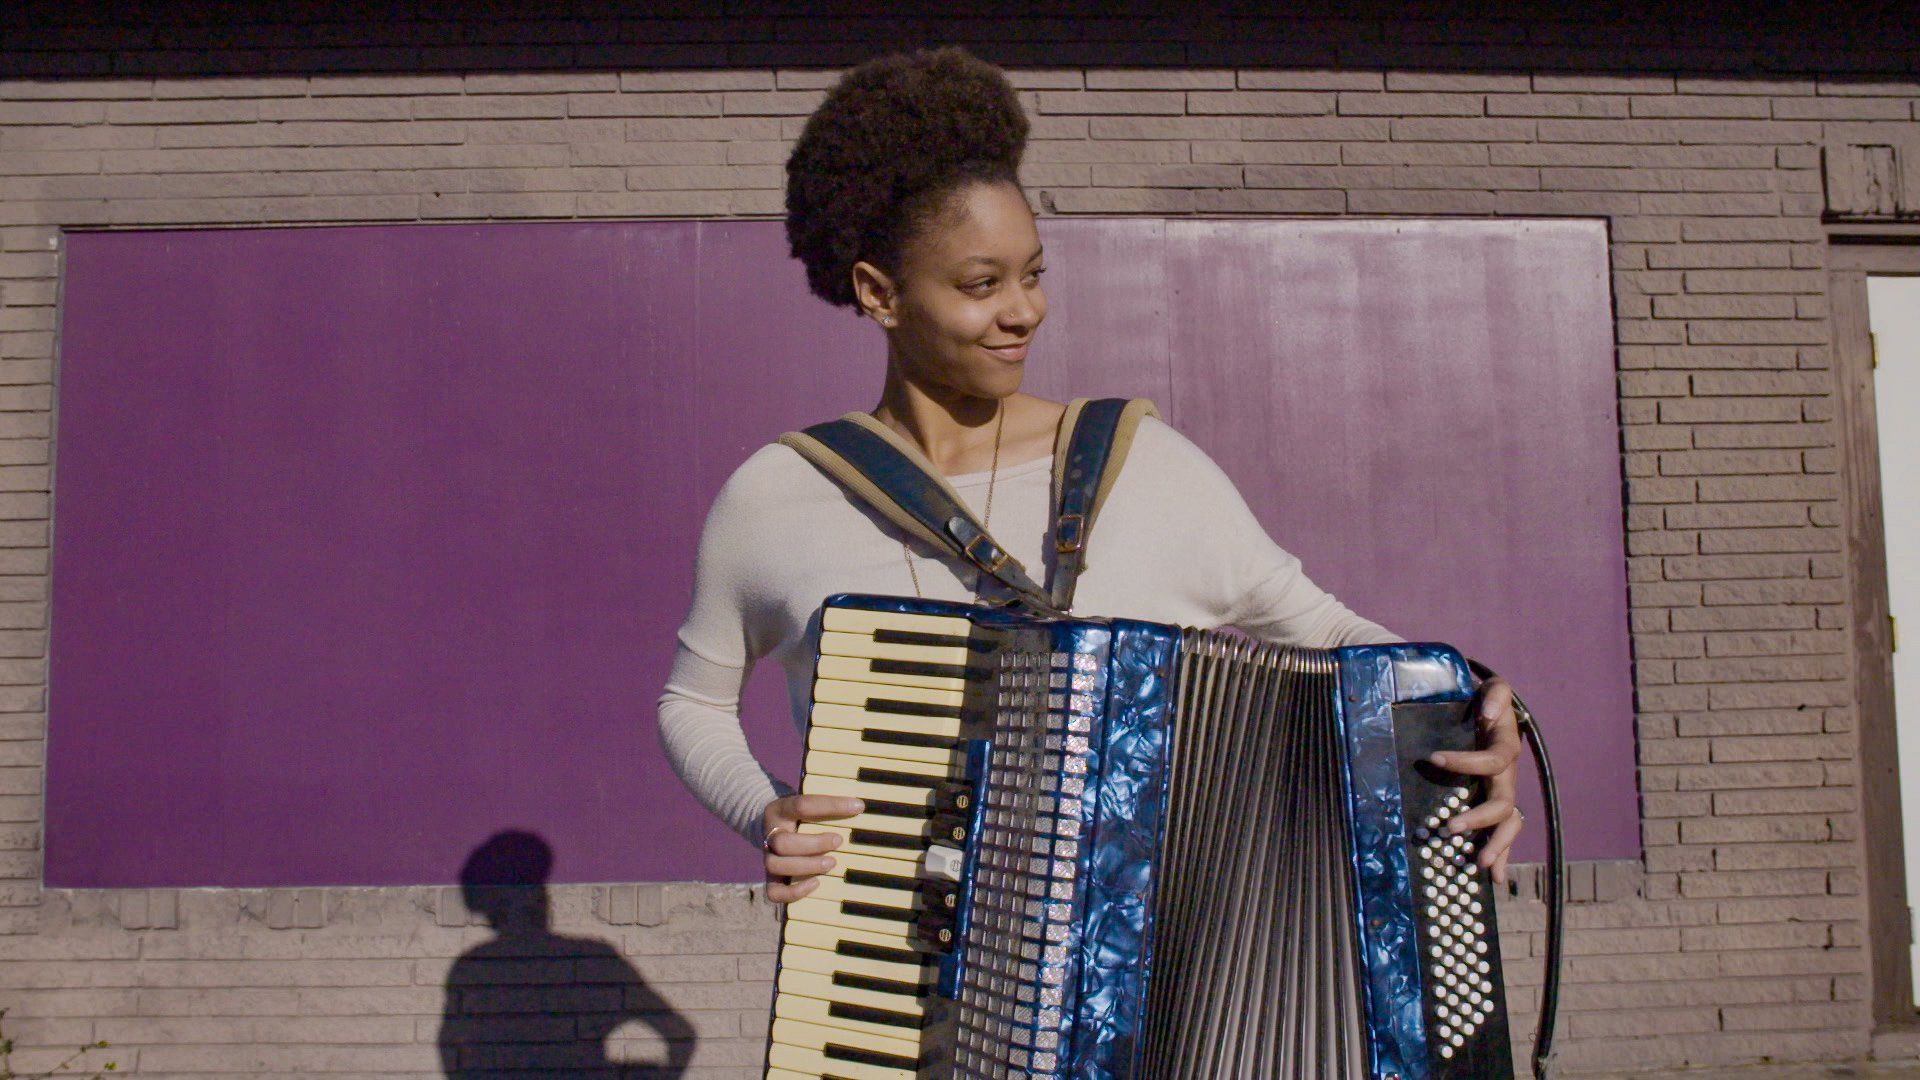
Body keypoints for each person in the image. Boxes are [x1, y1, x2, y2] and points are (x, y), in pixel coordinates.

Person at [656, 46, 1524, 906]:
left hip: (1174, 976)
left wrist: (1466, 701)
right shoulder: (780, 495)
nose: (1023, 310)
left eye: (1033, 275)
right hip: (898, 973)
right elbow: (692, 704)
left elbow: (1329, 632)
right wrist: (769, 812)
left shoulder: (1143, 466)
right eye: (981, 283)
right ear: (880, 294)